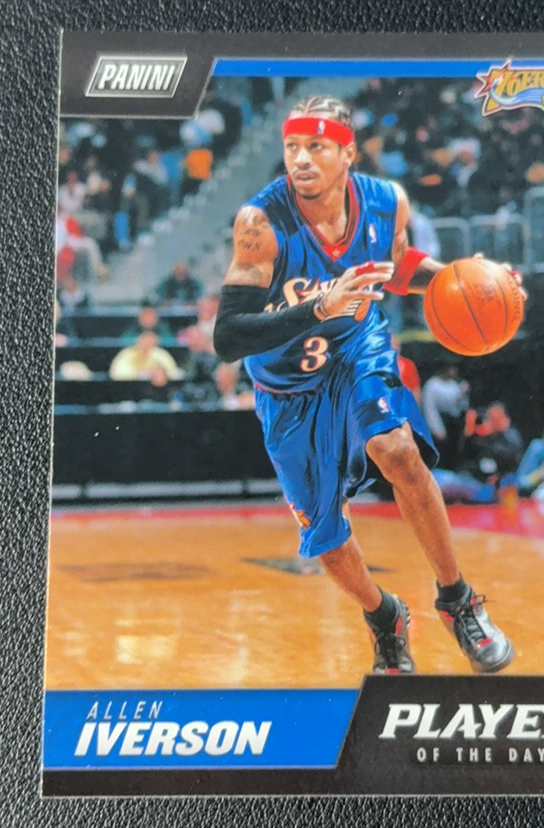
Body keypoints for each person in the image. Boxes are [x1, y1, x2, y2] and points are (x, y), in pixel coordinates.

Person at [213, 94, 526, 675]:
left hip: (357, 350)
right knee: (328, 542)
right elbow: (228, 336)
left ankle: (457, 600)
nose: (301, 159)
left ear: (347, 153)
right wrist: (318, 307)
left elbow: (398, 268)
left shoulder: (385, 203)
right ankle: (385, 616)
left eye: (316, 147)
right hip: (287, 388)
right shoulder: (261, 224)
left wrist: (472, 281)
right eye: (292, 146)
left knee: (397, 449)